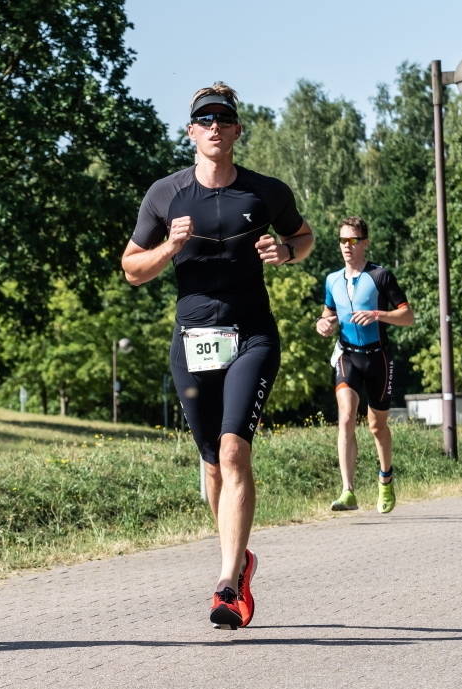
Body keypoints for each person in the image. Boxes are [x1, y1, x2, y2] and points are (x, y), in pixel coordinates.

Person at [122, 82, 314, 631]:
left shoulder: (265, 192)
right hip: (193, 340)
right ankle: (242, 557)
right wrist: (170, 247)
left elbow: (304, 237)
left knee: (233, 453)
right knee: (211, 465)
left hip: (252, 334)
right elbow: (132, 270)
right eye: (203, 120)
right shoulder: (165, 195)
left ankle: (228, 583)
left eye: (222, 120)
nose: (213, 127)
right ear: (191, 132)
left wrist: (287, 252)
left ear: (236, 131)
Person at [316, 216, 413, 514]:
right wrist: (323, 324)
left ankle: (385, 479)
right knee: (345, 417)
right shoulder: (332, 279)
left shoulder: (381, 276)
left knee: (376, 426)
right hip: (347, 354)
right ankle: (348, 491)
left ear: (365, 243)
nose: (347, 246)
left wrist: (377, 314)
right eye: (342, 241)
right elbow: (326, 314)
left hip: (378, 357)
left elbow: (408, 317)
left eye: (353, 241)